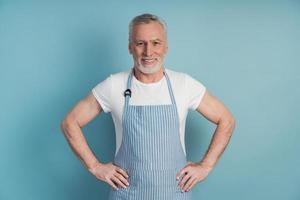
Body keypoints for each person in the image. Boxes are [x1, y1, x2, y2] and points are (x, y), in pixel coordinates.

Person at [61, 13, 236, 200]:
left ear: (166, 47)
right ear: (130, 47)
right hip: (127, 194)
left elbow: (226, 119)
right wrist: (95, 166)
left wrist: (206, 166)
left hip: (174, 194)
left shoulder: (183, 84)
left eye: (156, 43)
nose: (148, 52)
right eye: (140, 43)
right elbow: (70, 123)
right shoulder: (114, 85)